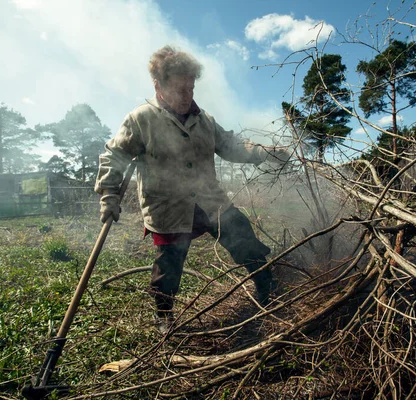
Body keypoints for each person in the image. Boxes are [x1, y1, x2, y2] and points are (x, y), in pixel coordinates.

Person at [94, 45, 290, 333]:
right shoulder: (141, 119)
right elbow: (114, 156)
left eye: (191, 88)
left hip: (209, 200)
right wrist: (109, 195)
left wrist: (265, 152)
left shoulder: (204, 120)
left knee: (243, 237)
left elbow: (231, 146)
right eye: (179, 90)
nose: (188, 97)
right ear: (158, 86)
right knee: (169, 266)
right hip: (167, 206)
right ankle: (164, 315)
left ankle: (267, 288)